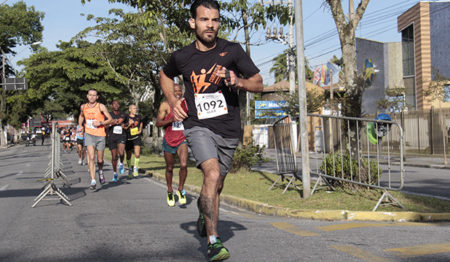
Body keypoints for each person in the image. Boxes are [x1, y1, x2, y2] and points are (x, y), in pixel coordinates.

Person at [159, 0, 263, 260]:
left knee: (216, 185)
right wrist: (173, 103)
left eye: (215, 20)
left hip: (228, 128)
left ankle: (203, 212)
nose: (211, 25)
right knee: (212, 173)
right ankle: (214, 242)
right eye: (204, 20)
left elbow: (258, 83)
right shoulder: (182, 56)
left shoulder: (233, 51)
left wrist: (235, 80)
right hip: (198, 126)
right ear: (193, 23)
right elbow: (164, 74)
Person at [156, 84, 189, 207]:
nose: (178, 93)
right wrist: (171, 120)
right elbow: (158, 123)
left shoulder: (186, 104)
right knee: (169, 168)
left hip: (182, 139)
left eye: (179, 90)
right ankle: (170, 191)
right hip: (169, 140)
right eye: (175, 91)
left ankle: (180, 189)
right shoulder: (165, 105)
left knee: (184, 165)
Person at [78, 89, 113, 190]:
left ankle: (101, 172)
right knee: (91, 157)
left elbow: (110, 119)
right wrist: (80, 125)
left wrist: (100, 123)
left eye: (94, 95)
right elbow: (81, 116)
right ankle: (93, 180)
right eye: (90, 95)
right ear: (87, 96)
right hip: (89, 134)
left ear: (97, 97)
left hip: (100, 135)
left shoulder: (101, 106)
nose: (92, 97)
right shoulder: (83, 107)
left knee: (100, 160)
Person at [106, 100, 127, 182]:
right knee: (114, 157)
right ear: (112, 106)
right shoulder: (109, 115)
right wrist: (112, 123)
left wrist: (124, 125)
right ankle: (115, 173)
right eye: (114, 104)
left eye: (118, 104)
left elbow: (127, 124)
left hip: (121, 136)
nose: (116, 105)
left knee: (121, 152)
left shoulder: (123, 114)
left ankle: (121, 163)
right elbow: (105, 125)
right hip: (112, 137)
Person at [124, 104, 143, 178]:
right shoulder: (126, 117)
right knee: (128, 155)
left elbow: (141, 123)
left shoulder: (138, 117)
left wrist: (140, 130)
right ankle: (129, 169)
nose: (135, 110)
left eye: (136, 108)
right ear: (130, 110)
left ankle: (135, 168)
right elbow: (124, 127)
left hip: (136, 137)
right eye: (134, 108)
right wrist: (129, 124)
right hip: (128, 138)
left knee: (137, 154)